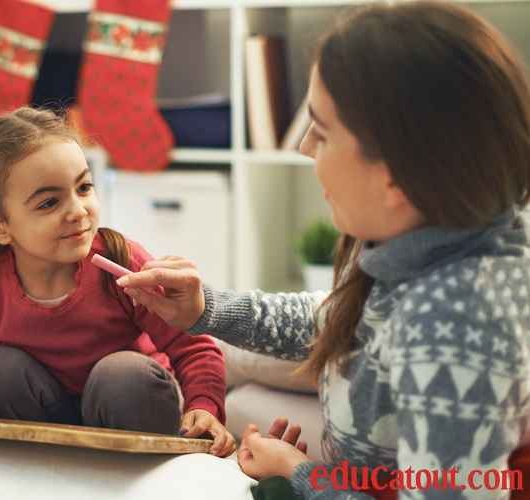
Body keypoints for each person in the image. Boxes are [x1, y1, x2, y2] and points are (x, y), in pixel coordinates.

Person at [116, 1, 530, 498]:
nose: (305, 148)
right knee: (237, 388)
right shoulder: (431, 229)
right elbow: (336, 323)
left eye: (324, 131)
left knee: (234, 405)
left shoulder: (452, 322)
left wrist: (300, 472)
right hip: (371, 441)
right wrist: (206, 308)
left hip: (375, 473)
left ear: (395, 173)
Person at [0, 107, 235, 456]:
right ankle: (30, 477)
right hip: (41, 438)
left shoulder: (121, 263)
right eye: (49, 202)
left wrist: (205, 406)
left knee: (121, 375)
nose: (78, 210)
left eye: (84, 187)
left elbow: (194, 348)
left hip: (129, 420)